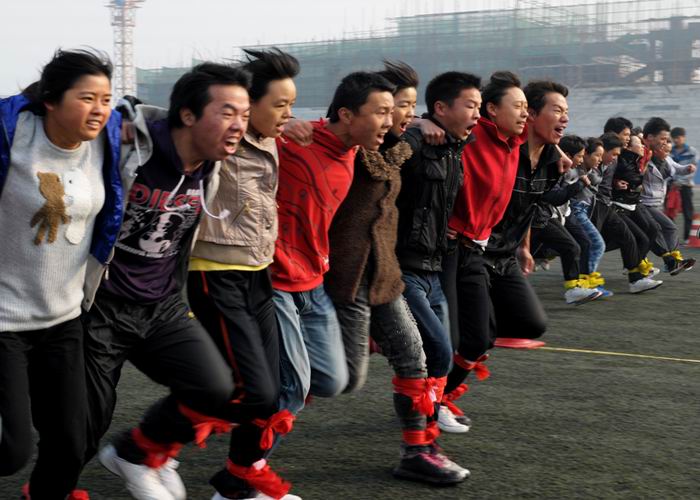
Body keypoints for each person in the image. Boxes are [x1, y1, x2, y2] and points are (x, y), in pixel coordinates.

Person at [82, 63, 252, 500]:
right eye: (227, 112)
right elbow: (59, 119)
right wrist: (111, 121)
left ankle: (136, 453)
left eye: (245, 115)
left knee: (215, 388)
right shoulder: (127, 144)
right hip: (100, 307)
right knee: (82, 427)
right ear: (188, 115)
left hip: (161, 305)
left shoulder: (211, 164)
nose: (239, 125)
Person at [324, 61, 468, 484]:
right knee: (340, 379)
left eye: (404, 107)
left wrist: (419, 125)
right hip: (345, 280)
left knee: (414, 358)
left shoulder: (397, 148)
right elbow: (329, 136)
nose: (400, 116)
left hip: (385, 277)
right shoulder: (349, 147)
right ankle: (250, 423)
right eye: (394, 107)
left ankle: (417, 451)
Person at [0, 49, 121, 500]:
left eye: (105, 99)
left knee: (71, 445)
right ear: (51, 100)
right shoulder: (11, 134)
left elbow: (168, 123)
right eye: (87, 98)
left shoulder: (109, 139)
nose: (99, 109)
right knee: (11, 450)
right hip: (4, 320)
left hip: (63, 319)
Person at [186, 49, 302, 500]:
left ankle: (238, 482)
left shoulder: (271, 136)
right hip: (215, 273)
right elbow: (171, 121)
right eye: (281, 105)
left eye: (292, 105)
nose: (288, 114)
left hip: (258, 272)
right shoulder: (218, 140)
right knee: (252, 390)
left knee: (270, 391)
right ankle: (142, 447)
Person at [395, 71, 481, 439]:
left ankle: (428, 420)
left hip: (433, 265)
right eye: (471, 106)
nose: (477, 114)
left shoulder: (453, 148)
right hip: (404, 267)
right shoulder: (416, 140)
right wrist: (417, 124)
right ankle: (421, 435)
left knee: (439, 354)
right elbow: (382, 157)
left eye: (479, 106)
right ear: (442, 108)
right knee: (438, 351)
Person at [641, 133, 696, 274]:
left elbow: (678, 168)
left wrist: (688, 168)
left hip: (656, 203)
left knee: (651, 233)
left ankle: (668, 262)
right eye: (665, 151)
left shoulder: (668, 160)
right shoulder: (646, 162)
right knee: (666, 228)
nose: (667, 154)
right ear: (656, 149)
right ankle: (672, 261)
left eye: (669, 151)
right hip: (644, 203)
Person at [670, 127, 697, 244]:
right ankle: (671, 238)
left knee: (688, 212)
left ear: (683, 137)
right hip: (672, 187)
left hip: (686, 186)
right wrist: (673, 182)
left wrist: (679, 182)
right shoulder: (669, 151)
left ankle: (687, 238)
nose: (676, 140)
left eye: (678, 138)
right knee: (670, 212)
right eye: (674, 138)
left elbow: (692, 170)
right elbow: (668, 168)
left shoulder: (692, 151)